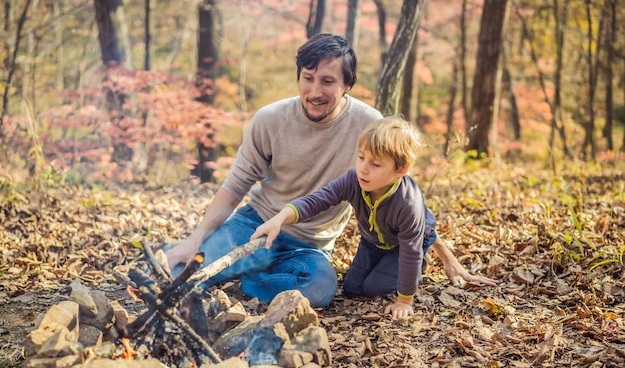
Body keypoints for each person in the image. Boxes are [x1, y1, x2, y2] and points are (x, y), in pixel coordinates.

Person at [165, 33, 496, 308]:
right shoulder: (270, 119)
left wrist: (446, 256)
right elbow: (233, 188)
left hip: (311, 246)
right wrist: (195, 240)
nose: (314, 92)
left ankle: (249, 274)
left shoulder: (368, 124)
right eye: (308, 79)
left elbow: (405, 197)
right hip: (257, 224)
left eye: (327, 81)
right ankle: (228, 261)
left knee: (320, 291)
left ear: (347, 85)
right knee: (178, 268)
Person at [251, 116, 436, 318]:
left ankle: (417, 268)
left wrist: (404, 301)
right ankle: (384, 264)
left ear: (401, 169)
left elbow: (411, 252)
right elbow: (318, 200)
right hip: (374, 241)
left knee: (374, 287)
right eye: (361, 157)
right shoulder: (354, 180)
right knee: (352, 288)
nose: (363, 168)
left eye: (375, 164)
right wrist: (281, 217)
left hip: (406, 246)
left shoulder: (408, 204)